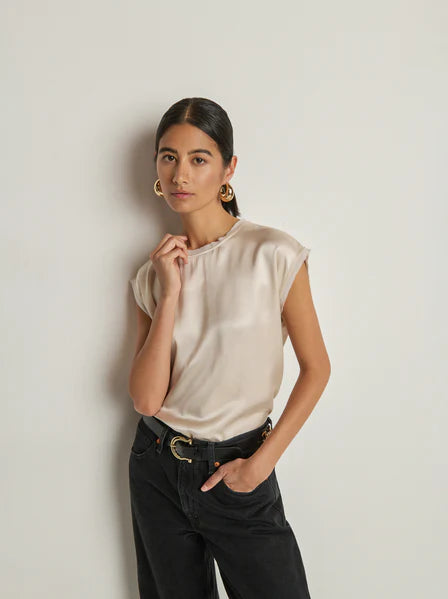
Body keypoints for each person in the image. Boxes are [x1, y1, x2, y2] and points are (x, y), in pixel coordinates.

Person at [128, 97, 331, 598]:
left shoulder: (273, 253)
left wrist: (261, 464)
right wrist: (170, 293)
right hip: (157, 467)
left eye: (199, 159)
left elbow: (316, 368)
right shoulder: (151, 273)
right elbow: (147, 400)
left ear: (228, 169)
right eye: (169, 157)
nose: (180, 174)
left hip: (238, 468)